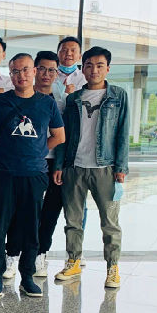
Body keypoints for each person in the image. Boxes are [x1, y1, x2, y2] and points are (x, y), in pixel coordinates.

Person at [0, 52, 64, 298]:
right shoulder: (0, 102)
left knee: (31, 227)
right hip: (3, 173)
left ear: (34, 71)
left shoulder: (47, 103)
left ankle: (27, 277)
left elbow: (60, 136)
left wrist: (38, 151)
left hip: (34, 174)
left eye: (25, 70)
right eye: (15, 71)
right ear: (11, 74)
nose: (21, 75)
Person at [53, 46, 128, 289]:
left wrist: (121, 168)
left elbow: (123, 132)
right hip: (74, 166)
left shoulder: (118, 96)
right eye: (89, 65)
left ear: (108, 68)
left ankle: (112, 267)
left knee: (110, 222)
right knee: (73, 220)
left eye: (99, 65)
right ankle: (73, 261)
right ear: (82, 68)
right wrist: (60, 164)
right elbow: (64, 135)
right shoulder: (73, 98)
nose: (94, 70)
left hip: (105, 167)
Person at [33, 50, 67, 278]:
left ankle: (41, 253)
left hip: (54, 162)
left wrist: (60, 164)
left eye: (51, 70)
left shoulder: (62, 102)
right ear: (34, 70)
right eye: (42, 69)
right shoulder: (24, 96)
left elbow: (65, 135)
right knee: (26, 209)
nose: (46, 74)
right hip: (28, 162)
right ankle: (17, 253)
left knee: (51, 211)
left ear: (57, 73)